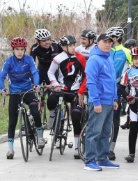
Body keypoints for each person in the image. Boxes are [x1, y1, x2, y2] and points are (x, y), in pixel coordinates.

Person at [0, 37, 43, 159]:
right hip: (14, 93)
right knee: (12, 121)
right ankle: (10, 149)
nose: (19, 52)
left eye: (22, 49)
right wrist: (2, 88)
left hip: (28, 91)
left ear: (25, 50)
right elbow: (1, 77)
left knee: (35, 112)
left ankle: (40, 136)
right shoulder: (8, 62)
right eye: (17, 49)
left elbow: (34, 72)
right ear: (13, 50)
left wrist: (37, 84)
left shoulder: (29, 59)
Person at [47, 35, 88, 159]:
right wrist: (56, 84)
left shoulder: (80, 57)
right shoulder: (58, 58)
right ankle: (52, 117)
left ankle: (76, 147)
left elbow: (87, 75)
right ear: (63, 47)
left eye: (74, 45)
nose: (73, 47)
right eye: (70, 45)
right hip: (62, 90)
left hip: (75, 92)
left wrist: (81, 91)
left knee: (76, 116)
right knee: (51, 99)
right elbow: (50, 72)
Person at [84, 33, 120, 171]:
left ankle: (103, 158)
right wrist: (96, 101)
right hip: (99, 102)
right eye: (105, 42)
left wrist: (115, 98)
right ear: (97, 43)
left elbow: (112, 80)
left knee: (105, 132)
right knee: (94, 131)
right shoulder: (94, 59)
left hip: (110, 101)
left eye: (110, 42)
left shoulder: (109, 58)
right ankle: (89, 161)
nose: (108, 44)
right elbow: (91, 82)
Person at [108, 26, 131, 160]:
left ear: (115, 38)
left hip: (117, 88)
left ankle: (111, 148)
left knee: (115, 119)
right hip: (104, 88)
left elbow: (134, 68)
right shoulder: (105, 50)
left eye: (109, 39)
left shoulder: (126, 51)